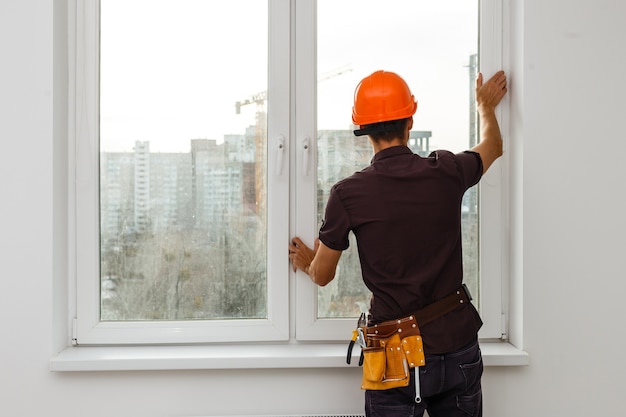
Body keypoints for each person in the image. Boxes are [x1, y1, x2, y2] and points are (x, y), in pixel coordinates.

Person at [289, 69, 507, 417]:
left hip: (394, 352)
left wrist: (309, 262)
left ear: (363, 131)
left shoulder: (348, 194)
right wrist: (484, 107)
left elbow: (323, 276)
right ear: (410, 120)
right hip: (456, 342)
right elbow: (493, 147)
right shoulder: (447, 169)